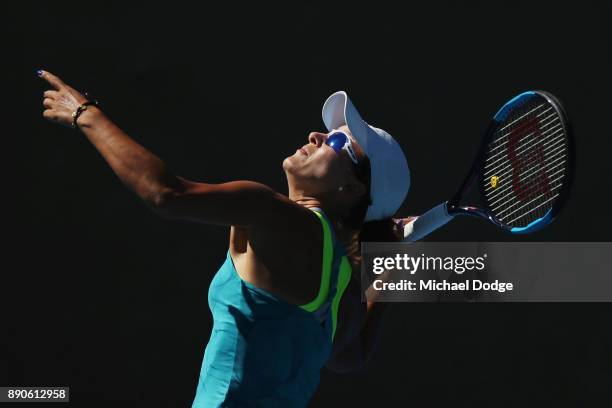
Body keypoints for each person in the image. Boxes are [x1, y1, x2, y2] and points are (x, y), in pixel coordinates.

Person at [37, 69, 412, 407]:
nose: (316, 135)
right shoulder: (342, 285)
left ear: (350, 188)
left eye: (337, 143)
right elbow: (353, 353)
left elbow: (166, 194)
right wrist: (392, 270)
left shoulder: (277, 215)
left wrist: (84, 113)